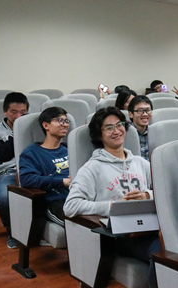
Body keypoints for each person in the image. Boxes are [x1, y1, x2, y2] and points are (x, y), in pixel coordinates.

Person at [63, 107, 159, 288]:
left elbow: (165, 192)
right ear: (99, 134)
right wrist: (114, 206)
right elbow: (71, 206)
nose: (116, 131)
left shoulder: (140, 163)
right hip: (120, 234)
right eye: (108, 128)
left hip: (150, 226)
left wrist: (147, 194)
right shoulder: (92, 168)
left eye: (119, 124)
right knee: (162, 253)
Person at [0, 92, 29, 248]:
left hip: (31, 169)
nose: (19, 116)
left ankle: (36, 229)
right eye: (14, 112)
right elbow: (1, 156)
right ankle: (12, 230)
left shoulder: (33, 126)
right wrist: (17, 131)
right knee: (4, 198)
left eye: (23, 112)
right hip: (8, 172)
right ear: (5, 111)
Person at [19, 107, 71, 226]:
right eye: (60, 121)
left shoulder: (70, 148)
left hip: (79, 196)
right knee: (82, 225)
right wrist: (63, 181)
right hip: (56, 200)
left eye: (66, 121)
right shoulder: (32, 153)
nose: (65, 125)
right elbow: (27, 179)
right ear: (46, 125)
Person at [128, 95, 153, 160]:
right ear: (130, 114)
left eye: (148, 110)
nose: (145, 114)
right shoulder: (125, 133)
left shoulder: (155, 132)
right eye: (140, 110)